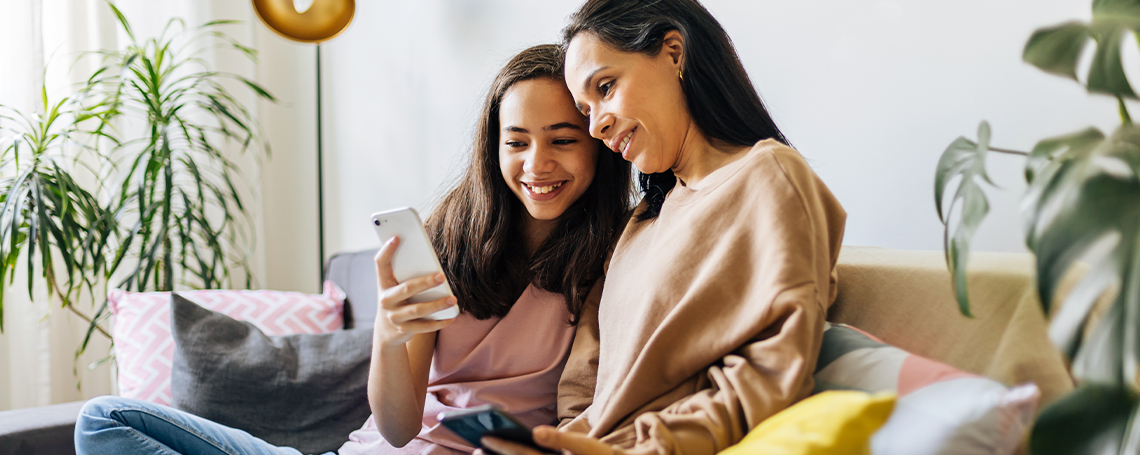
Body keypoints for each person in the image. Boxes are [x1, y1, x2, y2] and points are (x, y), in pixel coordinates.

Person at [74, 44, 633, 455]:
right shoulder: (446, 235)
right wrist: (391, 334)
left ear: (599, 146)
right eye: (516, 142)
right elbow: (395, 427)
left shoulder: (615, 258)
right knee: (104, 418)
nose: (537, 164)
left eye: (563, 140)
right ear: (494, 149)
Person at [477, 1, 847, 455]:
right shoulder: (642, 220)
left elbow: (768, 375)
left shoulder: (767, 178)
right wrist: (563, 440)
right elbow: (585, 381)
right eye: (585, 109)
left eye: (606, 87)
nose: (597, 126)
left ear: (674, 52)